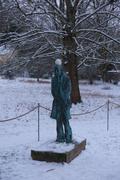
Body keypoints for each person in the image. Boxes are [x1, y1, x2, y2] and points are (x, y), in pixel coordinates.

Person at [50, 59, 72, 143]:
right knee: (58, 120)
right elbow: (53, 91)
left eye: (57, 69)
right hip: (57, 102)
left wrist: (62, 98)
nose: (56, 71)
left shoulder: (66, 79)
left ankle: (68, 136)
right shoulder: (54, 79)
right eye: (55, 69)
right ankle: (60, 137)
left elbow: (68, 91)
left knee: (66, 120)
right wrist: (58, 97)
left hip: (65, 102)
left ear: (61, 69)